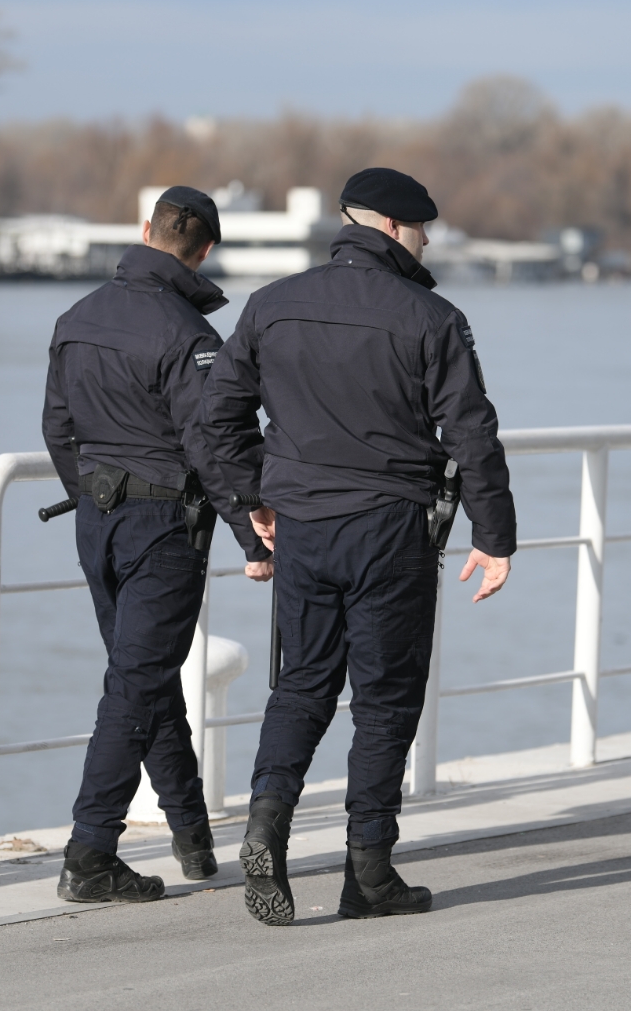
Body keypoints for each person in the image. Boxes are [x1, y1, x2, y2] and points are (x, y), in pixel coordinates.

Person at [195, 167, 517, 925]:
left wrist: (254, 498)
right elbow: (472, 432)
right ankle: (368, 871)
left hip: (303, 526)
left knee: (301, 684)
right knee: (385, 698)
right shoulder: (432, 317)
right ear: (394, 227)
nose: (427, 240)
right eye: (422, 228)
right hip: (390, 527)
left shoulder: (271, 304)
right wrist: (494, 535)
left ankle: (266, 824)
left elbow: (216, 418)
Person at [42, 185, 273, 904]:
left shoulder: (76, 318)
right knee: (136, 684)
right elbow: (212, 446)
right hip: (162, 528)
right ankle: (90, 853)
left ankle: (192, 836)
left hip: (97, 522)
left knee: (144, 676)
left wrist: (92, 495)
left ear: (146, 231)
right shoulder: (189, 335)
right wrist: (253, 535)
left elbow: (57, 429)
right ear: (205, 250)